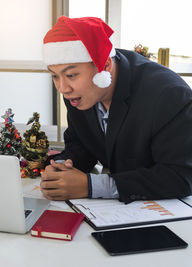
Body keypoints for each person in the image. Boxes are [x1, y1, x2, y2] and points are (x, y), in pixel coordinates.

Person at [40, 16, 192, 203]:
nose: (62, 88)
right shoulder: (78, 93)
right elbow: (82, 146)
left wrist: (90, 186)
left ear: (105, 66)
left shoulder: (169, 94)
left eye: (71, 75)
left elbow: (182, 176)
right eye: (54, 76)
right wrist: (62, 168)